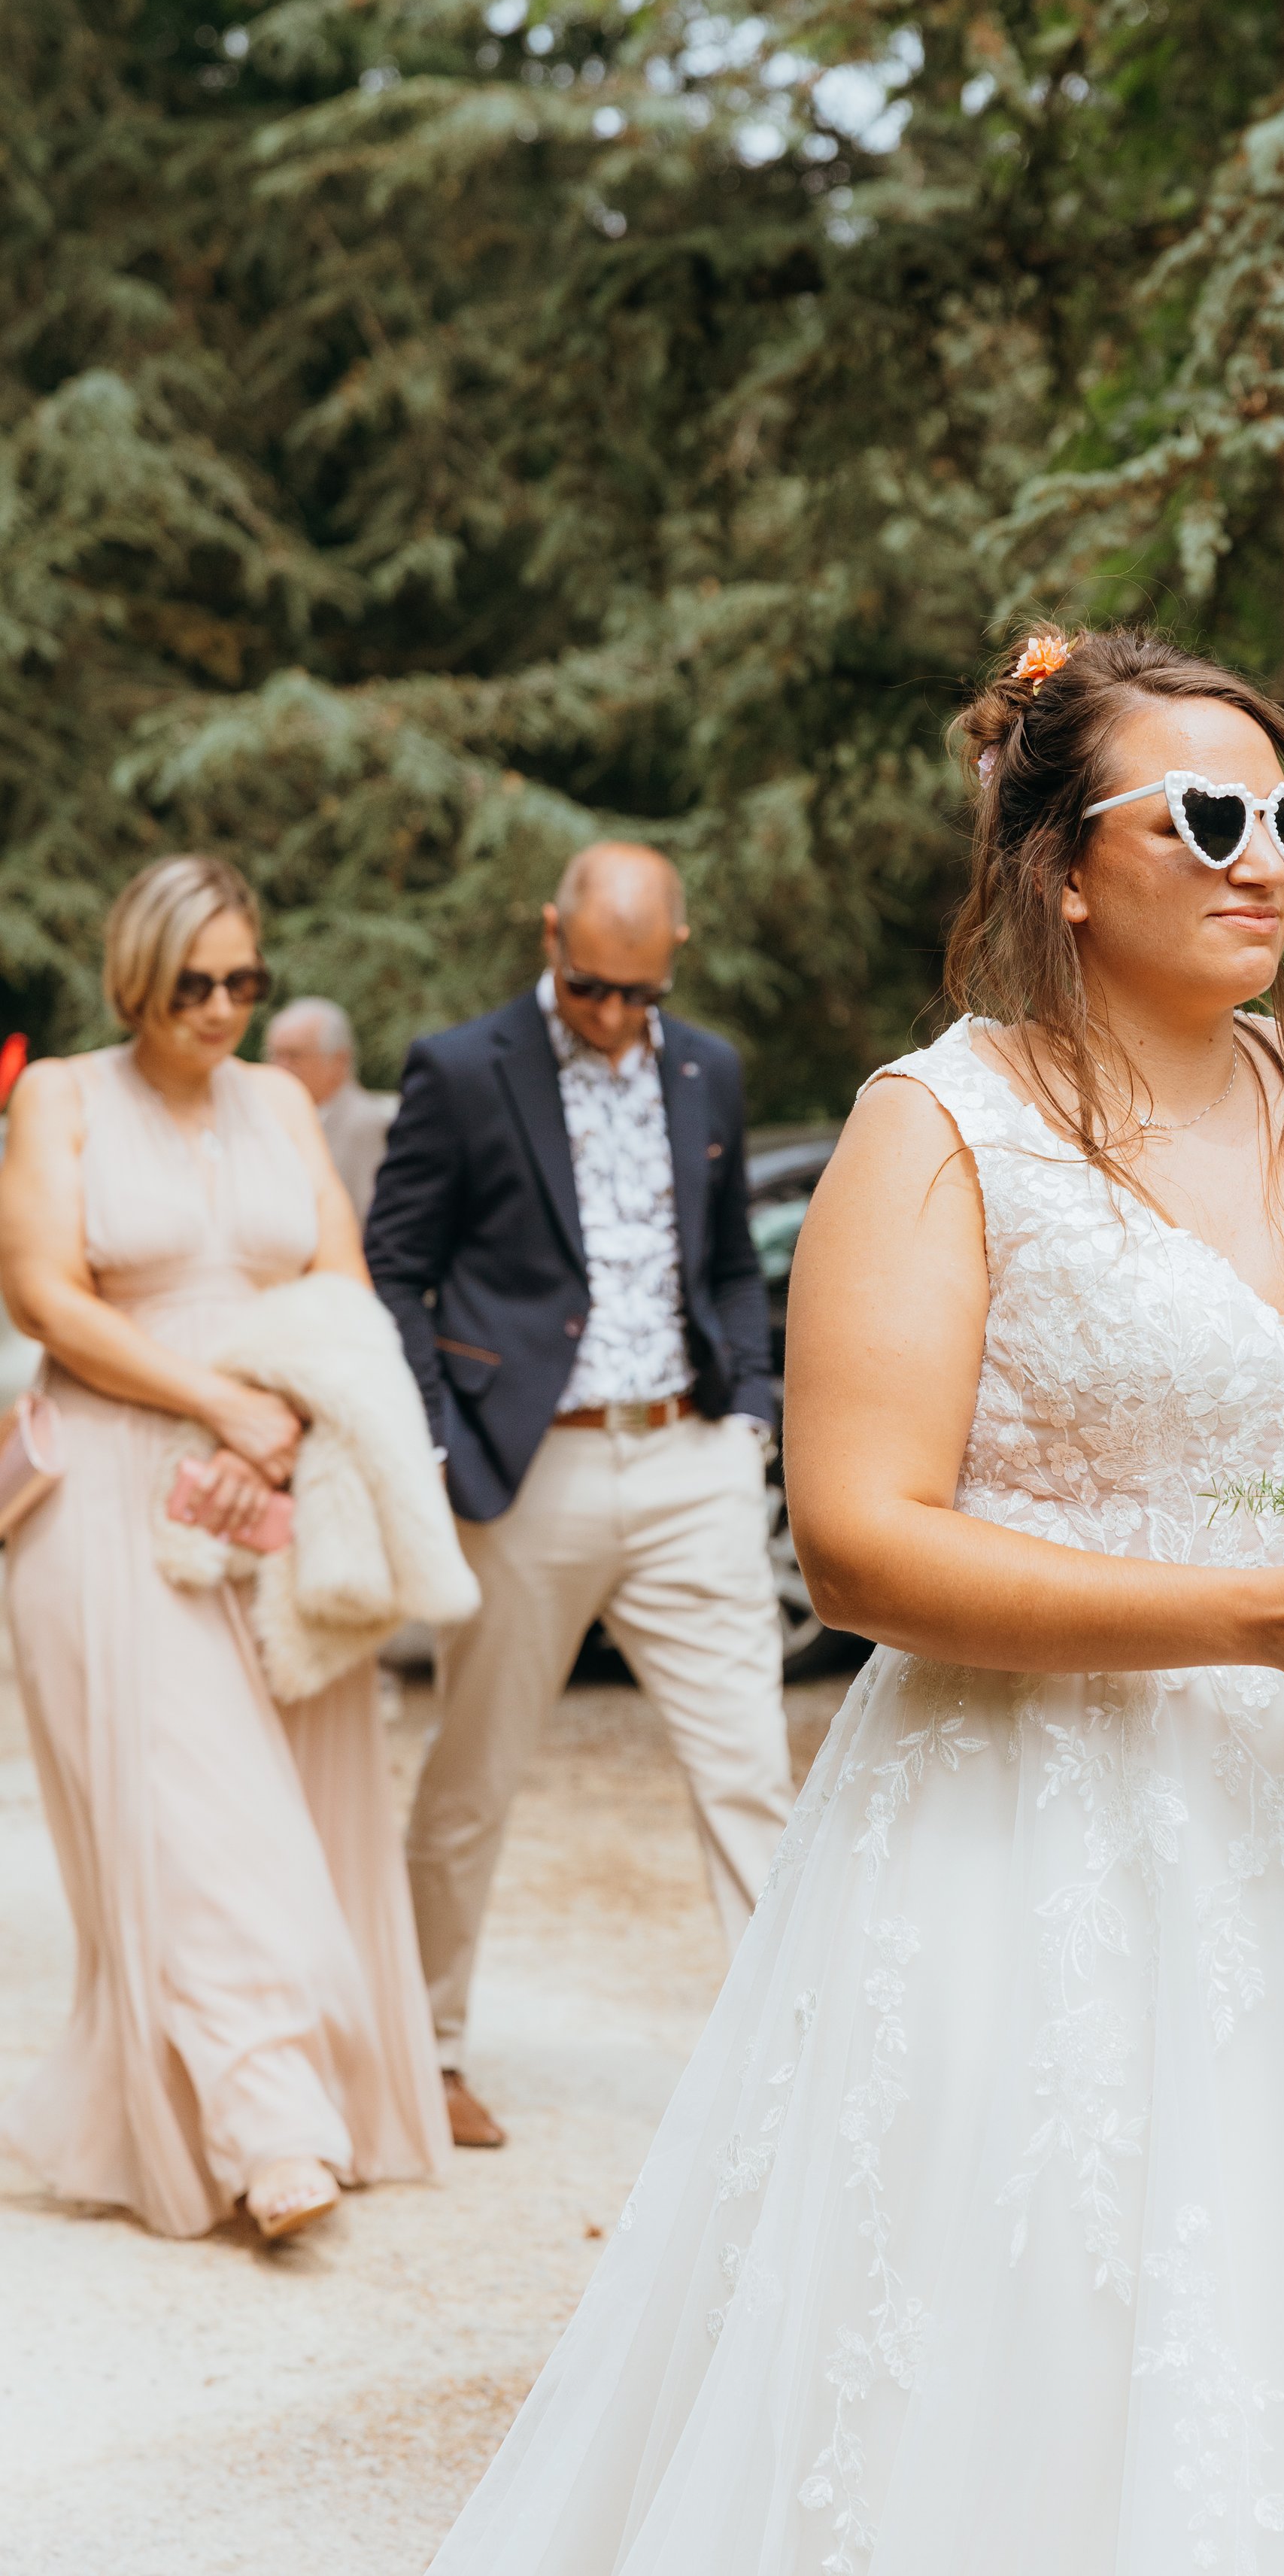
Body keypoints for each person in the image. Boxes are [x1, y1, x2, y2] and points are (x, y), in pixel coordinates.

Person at [426, 629, 1284, 2576]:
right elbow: (857, 1540)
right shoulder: (943, 1125)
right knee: (1063, 2350)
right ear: (1064, 862)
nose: (1268, 858)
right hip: (1055, 1844)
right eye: (1213, 817)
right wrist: (1253, 1615)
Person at [0, 856, 449, 2242]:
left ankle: (303, 2102)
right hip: (116, 1489)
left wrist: (295, 1426)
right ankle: (268, 2134)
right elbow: (42, 1295)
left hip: (269, 1483)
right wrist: (213, 1403)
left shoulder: (274, 1099)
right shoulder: (61, 1094)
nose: (220, 1008)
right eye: (192, 984)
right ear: (136, 978)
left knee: (307, 1801)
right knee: (193, 1811)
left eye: (243, 981)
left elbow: (341, 1278)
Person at [367, 842, 792, 2152]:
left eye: (637, 992)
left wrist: (755, 1418)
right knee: (474, 1777)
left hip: (690, 1465)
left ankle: (789, 2067)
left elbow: (728, 1262)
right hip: (524, 1470)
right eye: (590, 985)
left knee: (750, 1775)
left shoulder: (705, 1066)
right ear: (550, 935)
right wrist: (437, 1442)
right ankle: (422, 2053)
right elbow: (395, 1266)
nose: (613, 1014)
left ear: (676, 955)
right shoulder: (459, 1070)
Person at [265, 995, 398, 1226]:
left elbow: (371, 1219)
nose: (280, 1067)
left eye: (294, 1056)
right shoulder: (271, 1120)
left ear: (339, 1061)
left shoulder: (367, 1124)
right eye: (275, 1055)